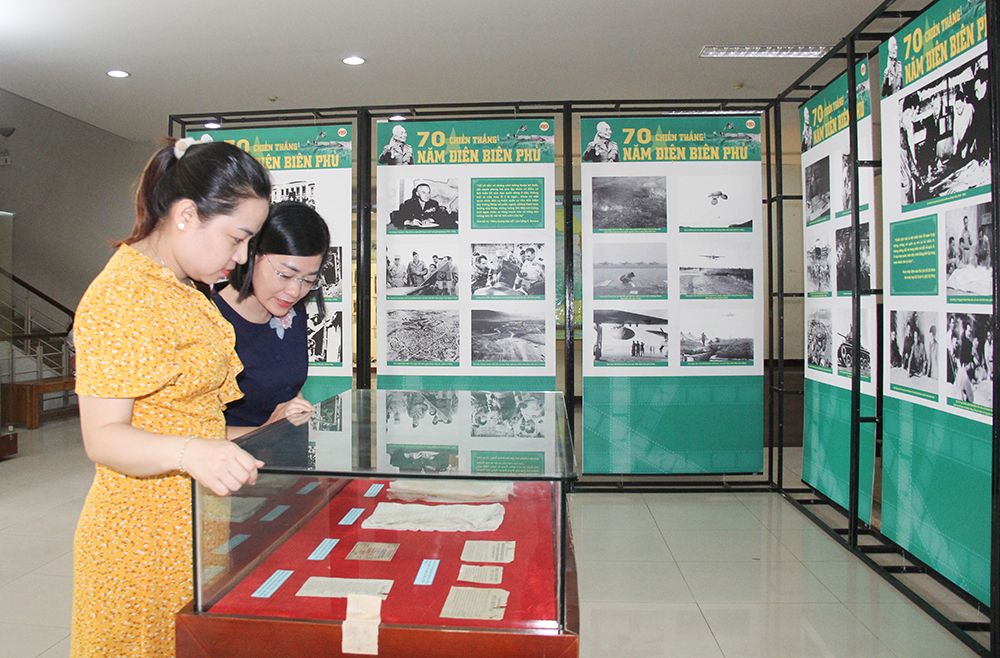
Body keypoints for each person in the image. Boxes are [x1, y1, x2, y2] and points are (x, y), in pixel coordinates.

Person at [71, 136, 272, 657]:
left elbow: (185, 417)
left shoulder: (178, 286)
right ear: (186, 214)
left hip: (190, 522)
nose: (242, 255)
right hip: (140, 539)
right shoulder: (123, 294)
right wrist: (195, 453)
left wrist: (250, 437)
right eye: (237, 237)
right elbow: (104, 437)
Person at [214, 200, 329, 431]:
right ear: (251, 254)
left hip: (287, 457)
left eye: (308, 280)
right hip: (235, 460)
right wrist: (267, 430)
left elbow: (288, 389)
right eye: (285, 275)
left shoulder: (293, 311)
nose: (295, 291)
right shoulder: (211, 320)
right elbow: (193, 433)